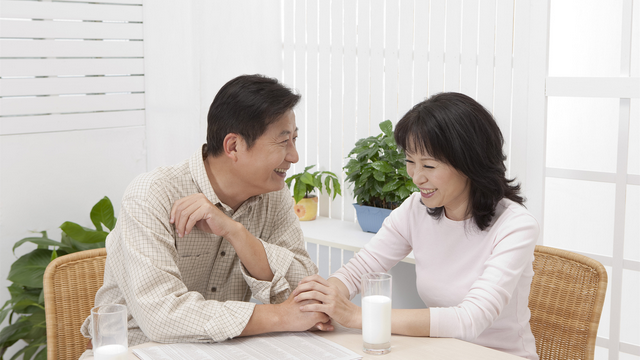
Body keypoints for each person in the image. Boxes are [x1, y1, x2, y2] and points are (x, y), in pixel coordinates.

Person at [80, 74, 332, 354]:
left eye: (294, 139)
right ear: (233, 146)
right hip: (135, 352)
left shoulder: (274, 196)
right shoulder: (151, 195)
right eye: (283, 141)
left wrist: (237, 233)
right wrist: (281, 316)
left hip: (218, 351)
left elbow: (305, 294)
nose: (294, 156)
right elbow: (161, 318)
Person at [293, 92, 540, 360]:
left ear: (470, 164)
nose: (416, 177)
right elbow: (361, 269)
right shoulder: (416, 209)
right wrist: (327, 300)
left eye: (429, 165)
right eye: (411, 161)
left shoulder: (515, 226)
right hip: (440, 352)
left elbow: (470, 319)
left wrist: (357, 315)